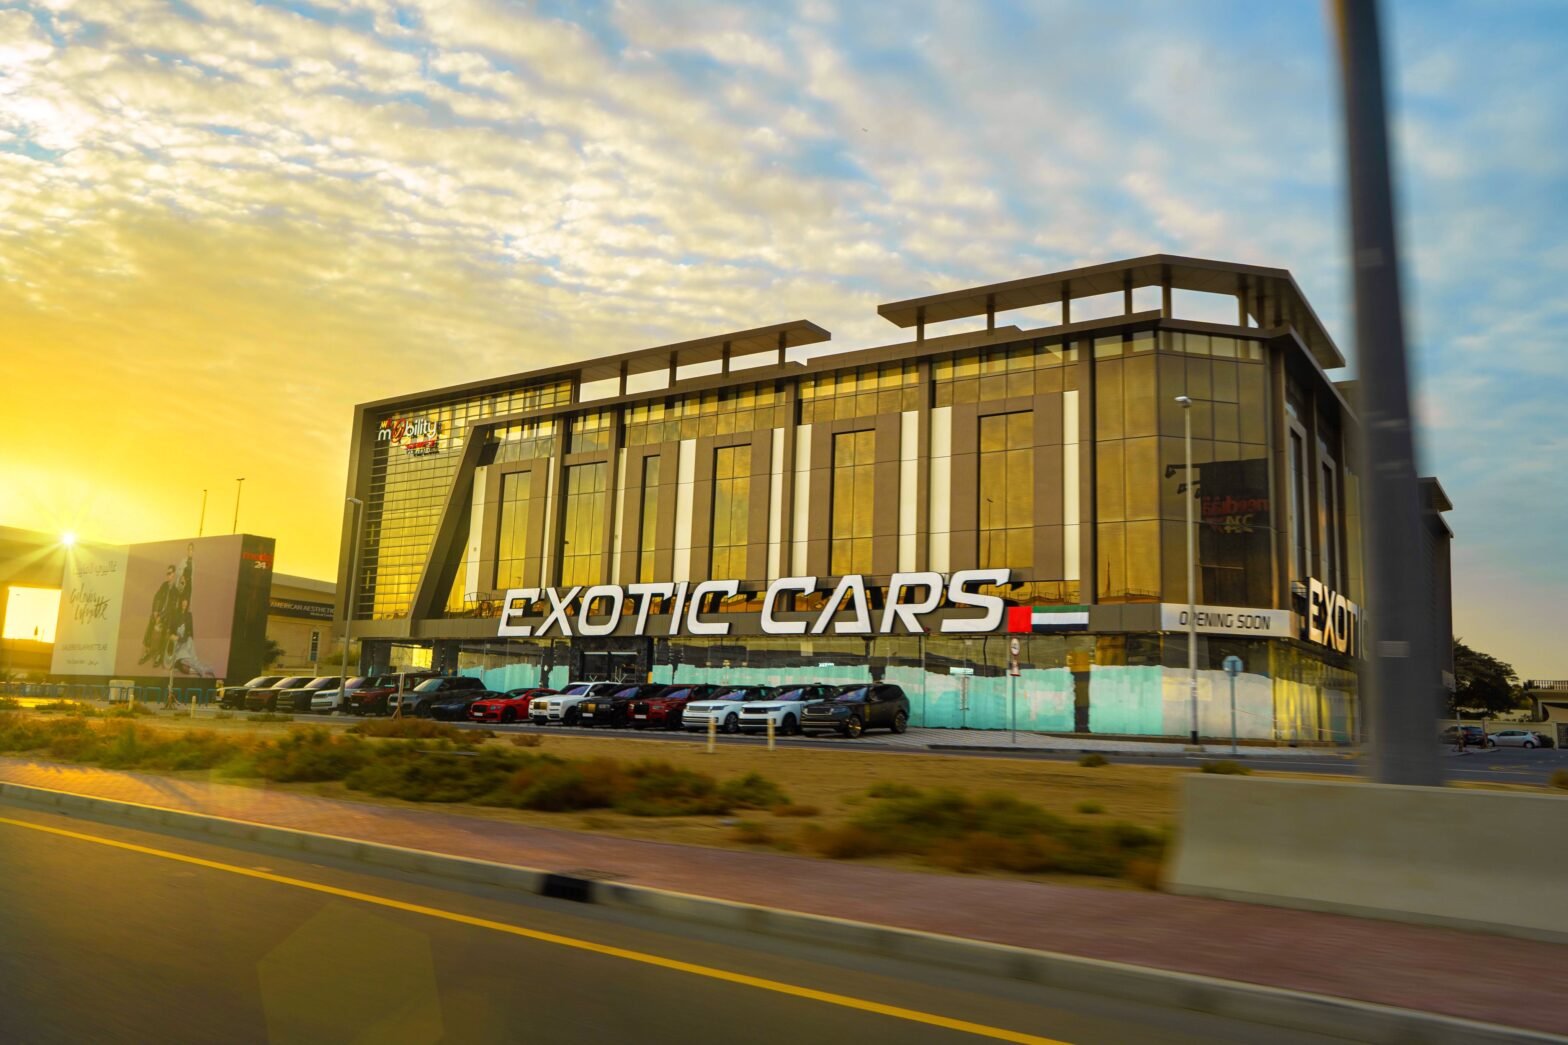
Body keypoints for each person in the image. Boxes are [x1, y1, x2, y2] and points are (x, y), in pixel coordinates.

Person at [139, 565, 179, 666]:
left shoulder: (175, 591)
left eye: (169, 573)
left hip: (168, 616)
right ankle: (147, 651)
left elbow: (171, 608)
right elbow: (156, 597)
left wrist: (161, 616)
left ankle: (159, 655)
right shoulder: (164, 585)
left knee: (166, 629)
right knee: (151, 622)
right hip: (159, 613)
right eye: (167, 573)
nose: (168, 575)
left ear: (174, 574)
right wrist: (155, 611)